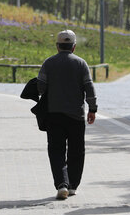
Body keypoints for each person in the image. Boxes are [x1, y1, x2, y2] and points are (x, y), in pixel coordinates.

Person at [37, 30, 97, 200]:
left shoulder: (48, 63)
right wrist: (92, 108)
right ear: (74, 47)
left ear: (57, 46)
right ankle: (72, 186)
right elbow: (89, 88)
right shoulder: (81, 64)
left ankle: (61, 184)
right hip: (76, 116)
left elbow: (40, 87)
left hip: (53, 114)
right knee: (76, 151)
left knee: (56, 150)